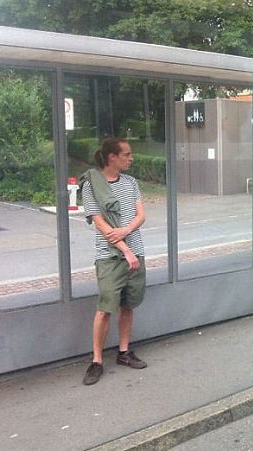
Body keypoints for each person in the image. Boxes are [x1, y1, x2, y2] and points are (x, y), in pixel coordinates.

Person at [80, 137, 148, 385]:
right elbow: (100, 223)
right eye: (127, 154)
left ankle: (123, 352)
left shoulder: (131, 183)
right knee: (105, 308)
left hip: (136, 250)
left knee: (128, 304)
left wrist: (126, 232)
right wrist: (124, 249)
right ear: (112, 157)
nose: (131, 158)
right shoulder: (91, 185)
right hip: (109, 256)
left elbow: (141, 215)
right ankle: (96, 361)